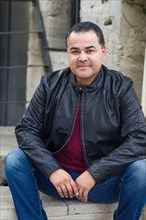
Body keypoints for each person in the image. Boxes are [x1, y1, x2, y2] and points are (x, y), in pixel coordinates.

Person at [4, 21, 146, 220]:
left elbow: (140, 138)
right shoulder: (50, 84)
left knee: (142, 171)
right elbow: (26, 130)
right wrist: (52, 169)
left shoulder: (120, 87)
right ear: (68, 53)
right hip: (57, 182)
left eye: (90, 50)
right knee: (15, 160)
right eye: (75, 51)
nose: (82, 58)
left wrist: (95, 173)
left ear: (103, 52)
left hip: (102, 184)